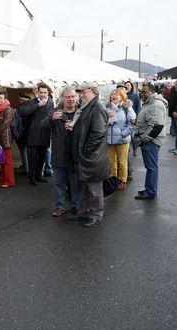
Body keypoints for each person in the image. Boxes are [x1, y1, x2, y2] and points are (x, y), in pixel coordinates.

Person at [70, 82, 110, 227]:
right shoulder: (87, 107)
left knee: (94, 188)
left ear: (94, 92)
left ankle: (95, 214)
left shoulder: (97, 107)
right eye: (80, 92)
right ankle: (84, 212)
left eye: (84, 92)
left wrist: (86, 150)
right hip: (87, 155)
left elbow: (98, 133)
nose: (81, 95)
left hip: (93, 156)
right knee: (85, 187)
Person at [41, 86, 80, 217]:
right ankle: (60, 206)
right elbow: (42, 125)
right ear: (62, 99)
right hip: (59, 154)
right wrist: (51, 118)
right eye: (68, 97)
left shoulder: (81, 112)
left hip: (75, 155)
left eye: (73, 96)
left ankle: (76, 205)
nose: (71, 99)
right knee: (59, 183)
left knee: (75, 183)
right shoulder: (55, 112)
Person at [133, 82, 168, 199]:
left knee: (151, 167)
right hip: (149, 140)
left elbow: (157, 127)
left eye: (144, 92)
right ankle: (149, 188)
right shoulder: (149, 103)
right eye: (141, 92)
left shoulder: (155, 104)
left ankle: (151, 191)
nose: (141, 94)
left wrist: (143, 139)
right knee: (150, 167)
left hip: (151, 141)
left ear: (151, 92)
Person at [19, 82, 53, 186]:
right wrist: (37, 105)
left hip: (45, 133)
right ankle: (32, 177)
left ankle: (39, 175)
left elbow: (50, 115)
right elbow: (23, 112)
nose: (43, 94)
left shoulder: (50, 102)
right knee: (33, 157)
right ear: (37, 92)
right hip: (33, 134)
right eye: (41, 92)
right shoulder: (32, 101)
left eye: (45, 92)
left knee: (42, 157)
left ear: (48, 92)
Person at [106, 88, 136, 190]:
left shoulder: (127, 108)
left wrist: (123, 134)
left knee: (122, 162)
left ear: (122, 97)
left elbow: (132, 124)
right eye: (112, 94)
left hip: (122, 140)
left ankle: (123, 180)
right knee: (111, 162)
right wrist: (106, 116)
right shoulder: (106, 108)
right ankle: (114, 180)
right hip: (109, 140)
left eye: (117, 95)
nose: (114, 96)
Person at [0, 91, 16, 188]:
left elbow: (5, 125)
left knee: (7, 161)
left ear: (6, 99)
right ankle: (2, 180)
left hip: (5, 137)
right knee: (2, 160)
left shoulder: (9, 109)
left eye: (1, 98)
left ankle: (9, 181)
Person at [14, 92, 33, 174]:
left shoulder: (20, 108)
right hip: (30, 133)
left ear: (22, 100)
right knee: (30, 152)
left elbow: (17, 122)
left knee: (23, 151)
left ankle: (26, 169)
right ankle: (31, 169)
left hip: (21, 133)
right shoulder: (33, 107)